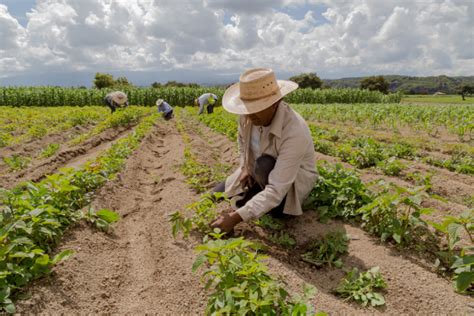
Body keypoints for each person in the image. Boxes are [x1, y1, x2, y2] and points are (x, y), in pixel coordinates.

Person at [210, 68, 317, 234]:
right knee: (214, 195)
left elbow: (276, 190)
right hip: (256, 171)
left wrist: (236, 218)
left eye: (256, 108)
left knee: (264, 165)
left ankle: (270, 208)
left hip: (287, 183)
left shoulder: (295, 131)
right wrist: (245, 166)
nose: (249, 114)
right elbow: (242, 142)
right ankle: (254, 193)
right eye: (247, 108)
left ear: (274, 104)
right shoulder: (247, 117)